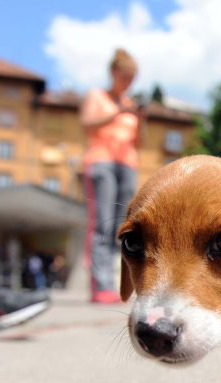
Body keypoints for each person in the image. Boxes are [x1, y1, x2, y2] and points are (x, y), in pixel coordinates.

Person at [80, 48, 144, 304]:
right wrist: (116, 113)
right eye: (125, 77)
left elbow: (141, 141)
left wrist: (141, 119)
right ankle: (101, 285)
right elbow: (86, 124)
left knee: (122, 228)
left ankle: (118, 284)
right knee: (102, 224)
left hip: (127, 163)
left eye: (132, 78)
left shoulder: (130, 104)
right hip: (101, 161)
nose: (128, 83)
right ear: (113, 73)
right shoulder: (97, 96)